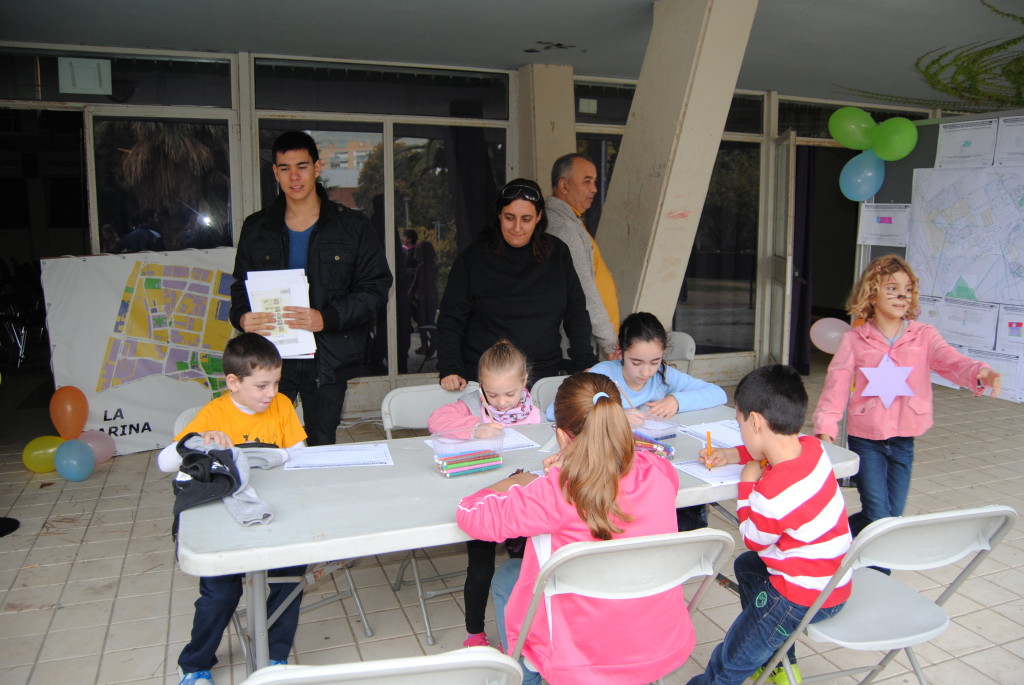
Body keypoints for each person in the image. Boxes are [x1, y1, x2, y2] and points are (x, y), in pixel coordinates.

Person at [457, 372, 695, 685]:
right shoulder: (660, 470)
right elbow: (629, 472)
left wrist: (521, 480)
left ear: (561, 436)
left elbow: (470, 514)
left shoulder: (556, 492)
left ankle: (527, 677)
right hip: (659, 644)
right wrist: (574, 465)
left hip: (579, 659)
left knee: (507, 577)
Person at [158, 333, 308, 685]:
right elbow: (164, 462)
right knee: (220, 593)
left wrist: (282, 456)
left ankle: (275, 654)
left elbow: (300, 456)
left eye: (276, 383)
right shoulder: (214, 414)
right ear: (233, 382)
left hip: (272, 511)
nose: (271, 393)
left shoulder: (282, 405)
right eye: (262, 386)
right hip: (225, 519)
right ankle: (195, 663)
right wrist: (200, 441)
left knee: (291, 577)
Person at [813, 254, 1001, 536]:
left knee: (892, 516)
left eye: (907, 289)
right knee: (878, 515)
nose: (902, 295)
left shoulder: (924, 336)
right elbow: (835, 388)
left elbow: (951, 361)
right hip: (866, 440)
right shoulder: (855, 339)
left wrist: (981, 371)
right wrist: (825, 429)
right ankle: (839, 547)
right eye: (892, 288)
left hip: (904, 440)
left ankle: (834, 539)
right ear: (872, 293)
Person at [689, 365, 852, 685]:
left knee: (728, 663)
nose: (741, 433)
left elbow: (754, 538)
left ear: (754, 422)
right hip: (834, 583)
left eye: (740, 426)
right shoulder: (813, 448)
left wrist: (747, 485)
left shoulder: (772, 492)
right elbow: (771, 450)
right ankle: (775, 659)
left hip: (798, 596)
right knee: (748, 566)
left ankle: (760, 656)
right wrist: (732, 455)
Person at [230, 130, 392, 445]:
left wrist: (326, 318)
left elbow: (375, 289)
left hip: (327, 357)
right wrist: (242, 317)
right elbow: (240, 286)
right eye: (285, 168)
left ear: (317, 168)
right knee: (264, 442)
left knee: (321, 443)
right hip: (269, 356)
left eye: (302, 166)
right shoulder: (256, 227)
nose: (294, 177)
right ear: (275, 172)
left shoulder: (352, 227)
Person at [547, 311, 726, 530]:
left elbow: (717, 393)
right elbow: (555, 411)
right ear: (620, 352)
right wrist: (613, 415)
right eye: (636, 362)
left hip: (655, 465)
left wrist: (676, 400)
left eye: (655, 362)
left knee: (681, 503)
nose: (646, 371)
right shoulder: (603, 374)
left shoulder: (664, 375)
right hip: (611, 471)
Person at [428, 339, 541, 648]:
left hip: (519, 502)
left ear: (524, 381)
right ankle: (474, 633)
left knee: (523, 570)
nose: (501, 403)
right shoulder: (472, 403)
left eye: (510, 394)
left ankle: (518, 632)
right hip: (482, 500)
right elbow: (436, 421)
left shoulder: (534, 412)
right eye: (492, 394)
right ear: (481, 385)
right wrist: (474, 427)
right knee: (480, 569)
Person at [436, 178, 596, 390]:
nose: (517, 228)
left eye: (526, 219)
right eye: (509, 218)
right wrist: (451, 368)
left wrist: (584, 362)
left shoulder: (558, 253)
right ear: (499, 215)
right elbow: (451, 320)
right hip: (488, 381)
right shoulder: (472, 259)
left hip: (543, 378)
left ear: (539, 217)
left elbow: (576, 312)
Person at [545, 153, 620, 359]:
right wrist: (611, 344)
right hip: (573, 346)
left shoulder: (569, 221)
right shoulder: (564, 229)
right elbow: (585, 291)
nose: (594, 189)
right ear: (564, 186)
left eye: (595, 181)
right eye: (587, 181)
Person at [410, 240, 439, 357]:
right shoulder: (433, 265)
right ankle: (433, 343)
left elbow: (416, 284)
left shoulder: (422, 267)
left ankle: (425, 346)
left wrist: (408, 296)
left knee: (422, 324)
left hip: (423, 299)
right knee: (430, 322)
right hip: (433, 298)